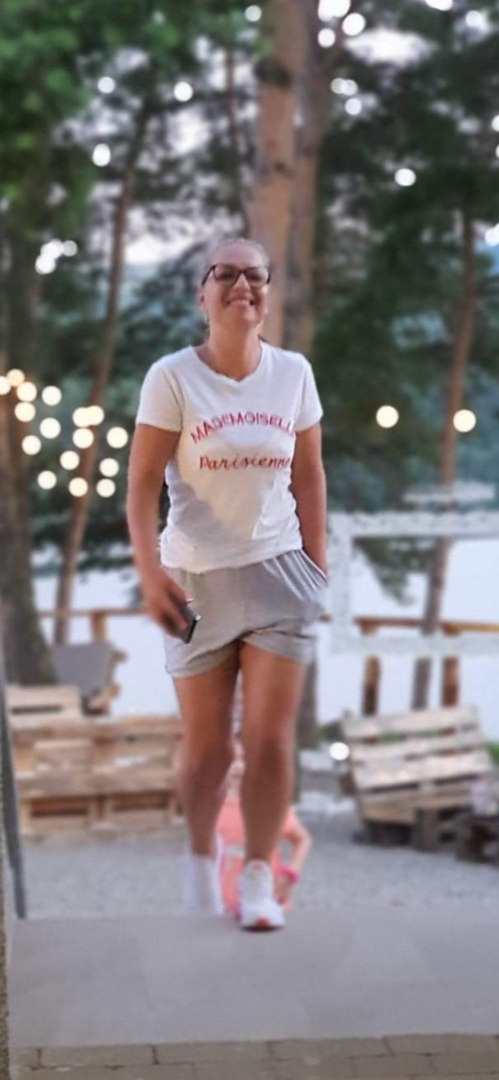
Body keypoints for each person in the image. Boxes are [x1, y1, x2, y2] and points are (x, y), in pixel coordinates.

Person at [127, 237, 327, 931]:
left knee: (269, 741)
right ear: (203, 295)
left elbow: (308, 475)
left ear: (267, 292)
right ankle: (198, 855)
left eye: (255, 275)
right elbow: (142, 485)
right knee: (208, 752)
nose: (243, 285)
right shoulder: (172, 377)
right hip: (195, 581)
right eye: (227, 274)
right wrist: (150, 573)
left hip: (279, 574)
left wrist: (316, 567)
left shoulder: (293, 373)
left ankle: (259, 875)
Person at [217, 740, 312, 918]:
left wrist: (291, 873)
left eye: (245, 760)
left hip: (266, 903)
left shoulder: (270, 805)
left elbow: (302, 839)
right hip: (222, 907)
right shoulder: (213, 809)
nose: (237, 766)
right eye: (230, 760)